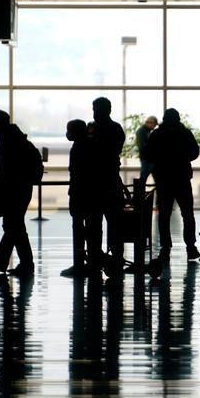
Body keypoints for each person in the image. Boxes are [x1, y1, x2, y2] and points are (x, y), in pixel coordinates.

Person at [143, 108, 200, 263]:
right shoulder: (185, 133)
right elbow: (195, 152)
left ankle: (165, 248)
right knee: (188, 214)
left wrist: (162, 159)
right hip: (182, 177)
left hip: (164, 178)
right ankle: (191, 247)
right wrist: (181, 157)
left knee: (164, 215)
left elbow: (148, 154)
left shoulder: (157, 134)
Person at [0, 110, 40, 276]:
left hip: (14, 189)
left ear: (0, 124)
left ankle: (6, 263)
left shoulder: (8, 140)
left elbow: (9, 168)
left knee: (13, 226)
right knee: (14, 226)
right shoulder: (16, 137)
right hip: (21, 188)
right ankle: (6, 263)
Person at [61, 119, 104, 277]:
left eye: (69, 130)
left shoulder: (79, 147)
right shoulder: (94, 144)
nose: (68, 134)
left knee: (79, 230)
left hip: (80, 194)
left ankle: (79, 264)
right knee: (94, 229)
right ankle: (94, 263)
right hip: (95, 195)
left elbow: (77, 172)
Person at [90, 97, 127, 275]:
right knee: (113, 223)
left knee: (96, 223)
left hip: (99, 183)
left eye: (96, 109)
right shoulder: (116, 129)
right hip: (110, 181)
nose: (94, 113)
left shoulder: (94, 129)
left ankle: (97, 258)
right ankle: (115, 257)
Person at [136, 115, 158, 186]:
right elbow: (142, 146)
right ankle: (140, 193)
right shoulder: (141, 131)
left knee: (145, 175)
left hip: (148, 157)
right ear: (150, 123)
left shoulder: (146, 131)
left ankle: (140, 193)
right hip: (146, 158)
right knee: (144, 176)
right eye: (154, 125)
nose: (154, 127)